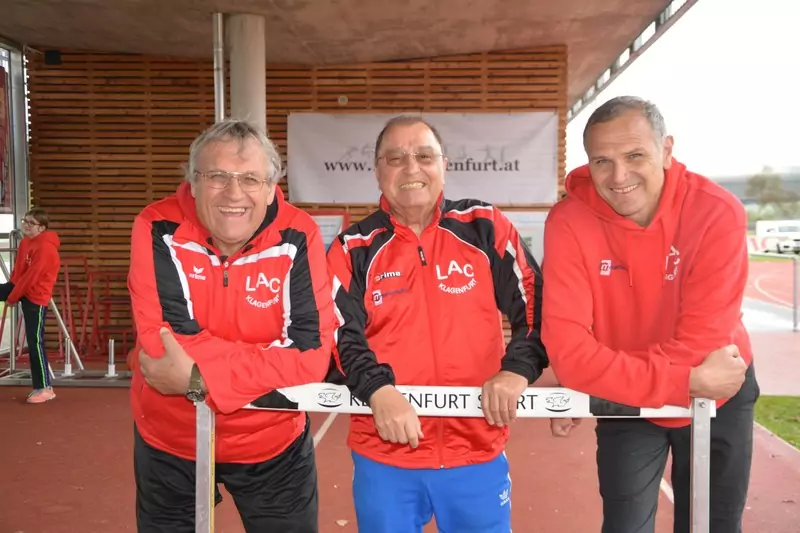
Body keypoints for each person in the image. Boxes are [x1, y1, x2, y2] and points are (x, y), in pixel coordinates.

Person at [542, 96, 758, 533]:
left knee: (713, 526)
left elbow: (702, 347)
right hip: (634, 398)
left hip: (719, 389)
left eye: (635, 155)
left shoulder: (716, 212)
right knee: (625, 527)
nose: (619, 176)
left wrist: (597, 374)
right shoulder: (568, 221)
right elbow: (568, 353)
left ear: (667, 149)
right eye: (602, 160)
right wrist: (680, 380)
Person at [326, 115, 548, 533]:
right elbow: (338, 334)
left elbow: (537, 307)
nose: (411, 168)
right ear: (377, 170)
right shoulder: (352, 248)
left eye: (424, 156)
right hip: (385, 453)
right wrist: (377, 389)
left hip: (476, 450)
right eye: (395, 158)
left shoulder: (484, 227)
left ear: (444, 164)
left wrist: (516, 370)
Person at [127, 119, 337, 532]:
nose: (234, 193)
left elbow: (312, 356)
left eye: (250, 179)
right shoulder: (156, 227)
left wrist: (196, 379)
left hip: (273, 443)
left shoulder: (299, 234)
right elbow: (161, 345)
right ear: (192, 180)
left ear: (272, 185)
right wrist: (262, 361)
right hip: (171, 442)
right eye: (217, 177)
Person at [0, 208, 61, 403]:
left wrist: (12, 297)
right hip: (21, 288)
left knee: (35, 342)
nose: (26, 225)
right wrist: (11, 289)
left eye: (31, 223)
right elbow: (19, 272)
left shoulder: (46, 248)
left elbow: (31, 278)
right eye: (25, 221)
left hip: (36, 296)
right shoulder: (26, 242)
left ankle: (44, 388)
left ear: (42, 228)